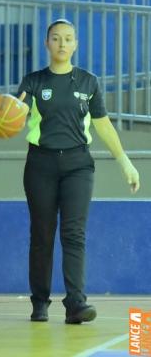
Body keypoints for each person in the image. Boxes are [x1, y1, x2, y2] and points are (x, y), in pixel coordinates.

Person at [17, 18, 140, 325]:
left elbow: (103, 125)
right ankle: (39, 302)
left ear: (76, 45)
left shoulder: (88, 82)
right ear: (47, 44)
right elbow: (13, 115)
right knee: (42, 235)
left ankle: (76, 304)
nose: (62, 43)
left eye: (68, 38)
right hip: (40, 165)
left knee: (74, 234)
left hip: (78, 166)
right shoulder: (32, 81)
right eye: (56, 38)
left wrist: (124, 161)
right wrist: (3, 116)